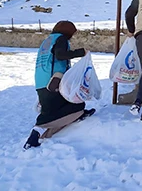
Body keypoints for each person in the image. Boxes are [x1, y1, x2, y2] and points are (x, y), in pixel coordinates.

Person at [23, 21, 95, 150]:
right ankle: (38, 129)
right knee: (74, 107)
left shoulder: (48, 40)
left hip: (42, 81)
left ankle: (38, 133)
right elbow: (60, 55)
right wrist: (80, 52)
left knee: (57, 107)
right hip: (54, 81)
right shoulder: (61, 39)